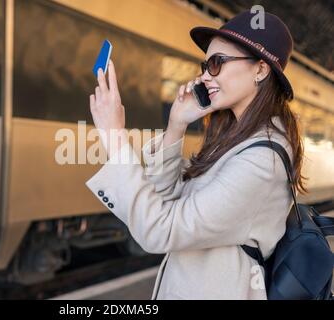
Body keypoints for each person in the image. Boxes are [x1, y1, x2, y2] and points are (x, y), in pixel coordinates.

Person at [86, 10, 307, 299]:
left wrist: (114, 137)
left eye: (217, 63)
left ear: (261, 70)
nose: (204, 75)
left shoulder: (262, 161)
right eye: (205, 64)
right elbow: (164, 202)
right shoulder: (233, 141)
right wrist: (176, 125)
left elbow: (160, 230)